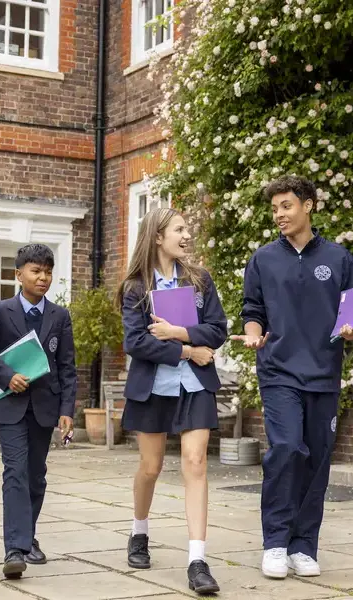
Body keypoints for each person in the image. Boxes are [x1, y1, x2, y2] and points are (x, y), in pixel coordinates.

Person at [231, 175, 353, 579]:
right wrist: (251, 334)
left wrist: (349, 325)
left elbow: (349, 309)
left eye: (286, 206)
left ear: (308, 206)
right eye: (275, 208)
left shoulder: (339, 258)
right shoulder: (263, 258)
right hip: (279, 371)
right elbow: (252, 309)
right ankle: (276, 543)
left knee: (317, 460)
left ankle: (304, 546)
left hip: (324, 373)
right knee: (285, 449)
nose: (279, 215)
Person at [116, 207, 227, 595]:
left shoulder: (200, 281)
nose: (186, 235)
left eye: (186, 229)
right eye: (179, 229)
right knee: (151, 466)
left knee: (196, 463)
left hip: (195, 386)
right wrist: (186, 351)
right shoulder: (135, 287)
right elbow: (136, 342)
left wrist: (179, 332)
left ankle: (198, 560)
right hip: (153, 387)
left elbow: (218, 330)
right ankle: (139, 531)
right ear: (158, 236)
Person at [0, 243, 77, 579]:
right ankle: (15, 549)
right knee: (15, 472)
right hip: (10, 405)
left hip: (45, 408)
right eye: (36, 271)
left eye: (48, 272)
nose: (43, 278)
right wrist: (8, 376)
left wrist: (68, 409)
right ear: (18, 274)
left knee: (36, 476)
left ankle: (28, 535)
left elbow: (67, 367)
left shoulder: (60, 316)